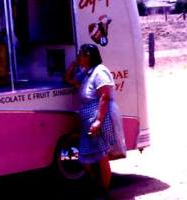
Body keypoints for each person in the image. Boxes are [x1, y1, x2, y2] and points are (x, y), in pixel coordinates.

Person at [65, 44, 123, 199]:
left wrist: (98, 121)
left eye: (80, 55)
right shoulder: (86, 73)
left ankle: (104, 191)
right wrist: (74, 65)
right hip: (87, 122)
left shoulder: (100, 71)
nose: (78, 57)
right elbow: (69, 79)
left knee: (101, 155)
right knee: (85, 155)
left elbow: (104, 96)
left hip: (98, 120)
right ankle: (97, 183)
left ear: (89, 55)